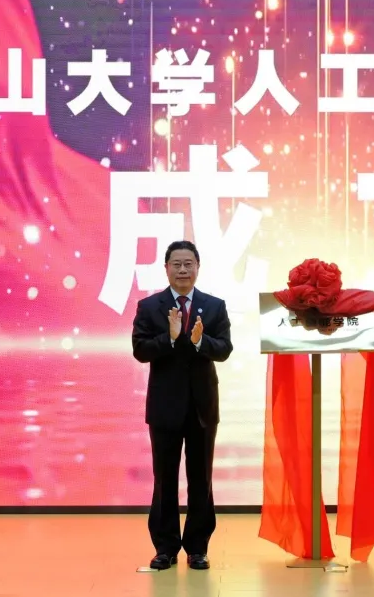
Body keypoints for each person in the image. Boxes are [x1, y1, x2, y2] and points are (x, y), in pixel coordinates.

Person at [132, 240, 233, 571]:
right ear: (166, 268)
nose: (183, 270)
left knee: (201, 480)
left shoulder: (214, 306)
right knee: (165, 480)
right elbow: (141, 350)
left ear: (198, 267)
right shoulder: (150, 307)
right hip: (164, 408)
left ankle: (197, 548)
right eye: (176, 264)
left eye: (189, 263)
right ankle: (165, 548)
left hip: (203, 407)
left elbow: (224, 349)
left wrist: (199, 341)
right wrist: (171, 338)